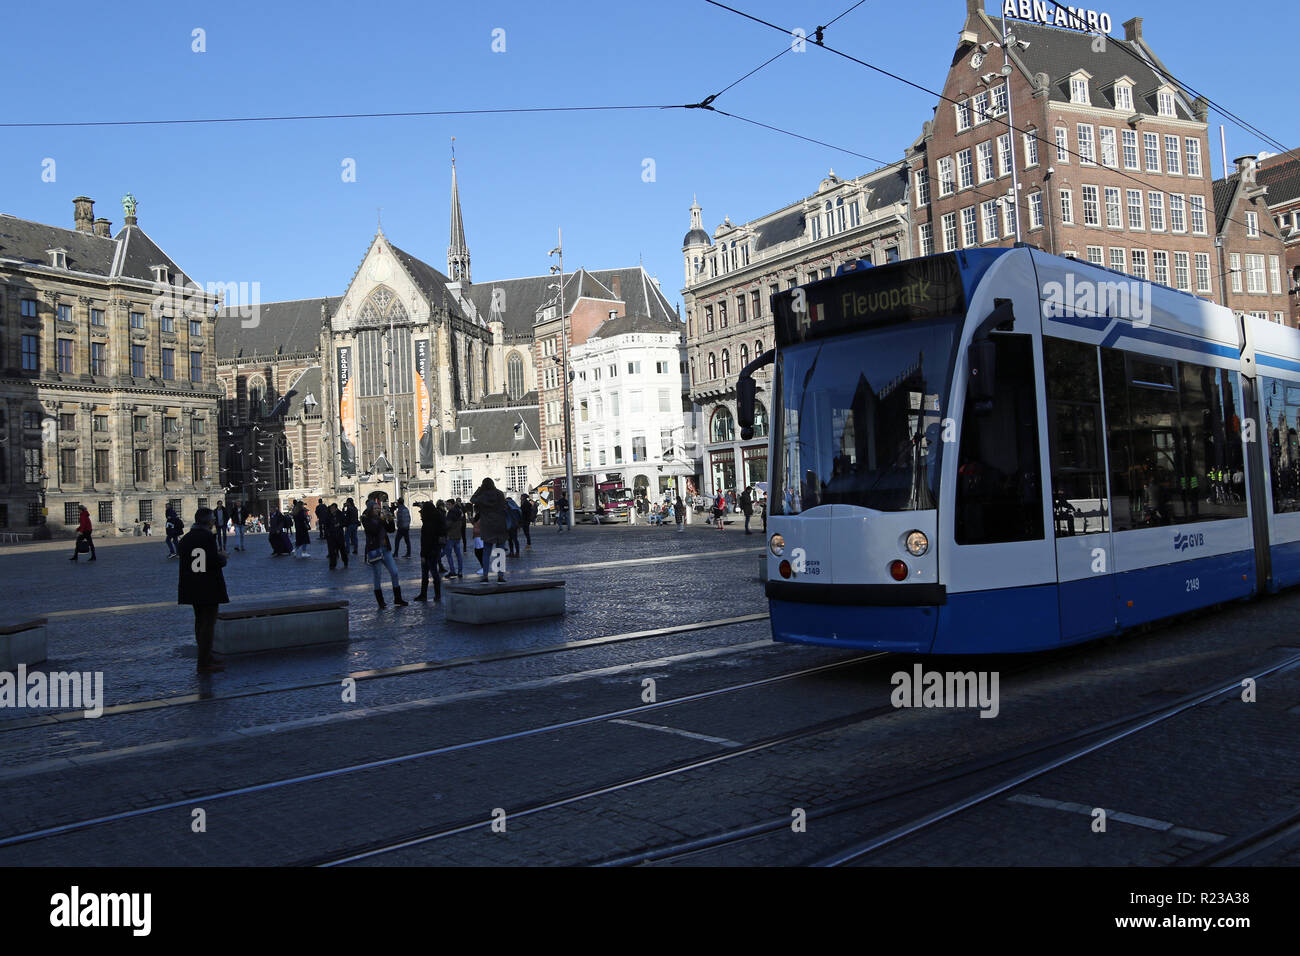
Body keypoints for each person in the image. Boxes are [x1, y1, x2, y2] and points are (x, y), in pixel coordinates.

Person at [177, 507, 229, 674]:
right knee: (208, 625)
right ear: (207, 521)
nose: (214, 521)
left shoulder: (186, 539)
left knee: (199, 623)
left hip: (192, 586)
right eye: (212, 518)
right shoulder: (207, 537)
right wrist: (222, 557)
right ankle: (204, 662)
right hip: (208, 586)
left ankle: (206, 656)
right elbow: (213, 562)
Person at [362, 497, 407, 607]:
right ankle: (380, 601)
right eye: (375, 508)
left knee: (394, 572)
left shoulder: (380, 519)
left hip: (385, 549)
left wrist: (390, 519)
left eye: (378, 508)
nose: (378, 509)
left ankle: (398, 598)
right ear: (370, 509)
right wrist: (381, 520)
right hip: (375, 550)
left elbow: (391, 530)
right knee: (377, 575)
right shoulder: (365, 519)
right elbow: (373, 530)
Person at [470, 477, 508, 583]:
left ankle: (485, 576)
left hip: (487, 525)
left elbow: (472, 500)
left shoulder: (482, 496)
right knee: (500, 551)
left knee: (486, 552)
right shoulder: (499, 494)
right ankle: (500, 576)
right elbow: (505, 506)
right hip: (500, 524)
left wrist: (479, 490)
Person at [413, 501, 445, 603]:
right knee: (433, 572)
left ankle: (424, 594)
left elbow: (425, 541)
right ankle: (437, 594)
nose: (421, 514)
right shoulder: (438, 520)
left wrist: (423, 555)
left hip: (428, 552)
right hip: (436, 550)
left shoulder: (428, 524)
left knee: (427, 573)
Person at [443, 499, 465, 578]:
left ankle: (452, 571)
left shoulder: (450, 513)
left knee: (448, 554)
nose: (446, 506)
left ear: (452, 504)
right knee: (458, 554)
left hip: (450, 536)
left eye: (448, 504)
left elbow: (448, 525)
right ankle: (460, 571)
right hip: (458, 536)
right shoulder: (459, 512)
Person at [325, 503, 349, 570]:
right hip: (331, 535)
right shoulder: (328, 515)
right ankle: (332, 565)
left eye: (333, 508)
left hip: (339, 535)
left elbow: (345, 522)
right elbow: (326, 525)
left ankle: (345, 561)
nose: (331, 510)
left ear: (336, 508)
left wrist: (340, 524)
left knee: (342, 550)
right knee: (332, 551)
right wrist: (327, 534)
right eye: (331, 508)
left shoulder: (340, 514)